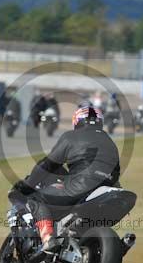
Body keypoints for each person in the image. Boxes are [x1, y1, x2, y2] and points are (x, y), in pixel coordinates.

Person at [10, 106, 120, 254]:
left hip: (81, 186)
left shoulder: (70, 137)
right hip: (109, 189)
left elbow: (47, 165)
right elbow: (116, 171)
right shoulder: (110, 141)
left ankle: (48, 238)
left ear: (77, 121)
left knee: (36, 200)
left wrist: (28, 185)